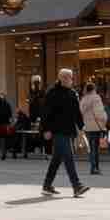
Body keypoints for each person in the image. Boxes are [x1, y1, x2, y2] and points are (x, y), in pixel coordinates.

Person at [42, 68, 89, 198]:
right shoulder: (52, 93)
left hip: (68, 130)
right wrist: (46, 129)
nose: (71, 80)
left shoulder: (72, 93)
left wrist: (81, 126)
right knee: (68, 157)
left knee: (56, 159)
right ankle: (77, 186)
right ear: (61, 78)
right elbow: (46, 113)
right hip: (57, 131)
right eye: (69, 78)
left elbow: (77, 112)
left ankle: (47, 185)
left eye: (71, 77)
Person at [79, 82, 107, 176]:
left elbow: (80, 112)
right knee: (96, 148)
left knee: (91, 148)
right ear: (94, 89)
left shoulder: (84, 99)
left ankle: (93, 167)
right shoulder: (96, 98)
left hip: (87, 126)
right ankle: (95, 168)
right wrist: (104, 119)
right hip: (96, 125)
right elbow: (99, 113)